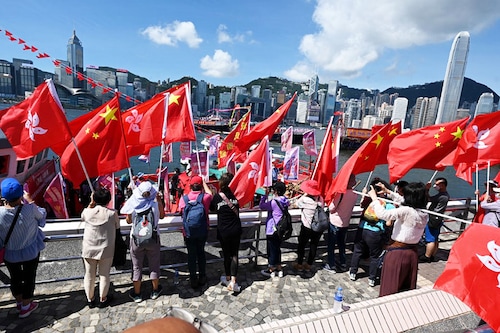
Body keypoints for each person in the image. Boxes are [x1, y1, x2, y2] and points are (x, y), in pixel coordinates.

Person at [370, 181, 428, 297]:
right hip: (412, 253)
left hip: (397, 253)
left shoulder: (407, 211)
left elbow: (384, 215)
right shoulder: (424, 213)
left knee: (391, 285)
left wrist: (374, 199)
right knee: (405, 287)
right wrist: (388, 192)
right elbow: (402, 200)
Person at [0, 178, 46, 318]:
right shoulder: (30, 209)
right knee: (29, 278)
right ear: (21, 195)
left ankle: (20, 302)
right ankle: (26, 306)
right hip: (30, 251)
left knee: (15, 278)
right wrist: (30, 200)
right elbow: (42, 217)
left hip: (10, 253)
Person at [120, 181, 165, 303]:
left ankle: (137, 294)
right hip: (153, 238)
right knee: (154, 264)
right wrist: (159, 201)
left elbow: (129, 221)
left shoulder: (133, 205)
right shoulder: (155, 205)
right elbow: (162, 216)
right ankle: (155, 290)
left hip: (136, 239)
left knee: (136, 266)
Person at [349, 178, 394, 287]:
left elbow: (362, 206)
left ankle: (353, 272)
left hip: (362, 228)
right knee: (375, 256)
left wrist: (364, 195)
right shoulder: (388, 204)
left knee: (357, 251)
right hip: (375, 232)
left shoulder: (369, 200)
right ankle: (372, 278)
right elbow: (388, 223)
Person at [81, 188, 120, 308]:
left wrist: (91, 203)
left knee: (89, 275)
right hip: (106, 248)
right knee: (104, 275)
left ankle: (90, 299)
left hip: (89, 247)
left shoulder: (87, 212)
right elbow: (117, 227)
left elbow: (83, 217)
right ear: (108, 200)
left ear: (94, 199)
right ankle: (103, 298)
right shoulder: (112, 213)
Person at [178, 175, 213, 289]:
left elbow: (180, 212)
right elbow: (210, 194)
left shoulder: (184, 199)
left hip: (188, 232)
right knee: (201, 253)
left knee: (191, 255)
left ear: (191, 186)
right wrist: (204, 183)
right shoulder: (205, 198)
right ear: (201, 186)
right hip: (202, 230)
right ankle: (202, 276)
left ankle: (193, 279)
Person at [209, 173, 242, 292]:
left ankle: (228, 277)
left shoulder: (217, 197)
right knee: (234, 255)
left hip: (224, 230)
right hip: (236, 229)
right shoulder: (235, 197)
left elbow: (212, 208)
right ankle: (234, 281)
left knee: (226, 254)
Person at [323, 174, 358, 273]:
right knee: (342, 244)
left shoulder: (340, 193)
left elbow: (332, 208)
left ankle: (331, 265)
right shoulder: (355, 194)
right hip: (346, 223)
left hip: (335, 222)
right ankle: (343, 263)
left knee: (331, 245)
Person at [292, 180, 324, 273]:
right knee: (314, 245)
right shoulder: (320, 199)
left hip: (307, 227)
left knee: (301, 245)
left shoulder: (305, 200)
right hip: (317, 227)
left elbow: (296, 204)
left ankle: (299, 263)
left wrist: (304, 195)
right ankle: (309, 264)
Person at [259, 181, 289, 278]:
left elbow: (262, 206)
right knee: (277, 248)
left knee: (271, 249)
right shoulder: (285, 200)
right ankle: (279, 268)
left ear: (275, 191)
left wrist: (265, 195)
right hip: (281, 229)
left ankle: (271, 269)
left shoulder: (274, 202)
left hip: (273, 229)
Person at [420, 177, 449, 263]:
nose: (435, 186)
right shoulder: (444, 195)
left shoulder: (442, 196)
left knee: (430, 239)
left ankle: (427, 256)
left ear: (443, 185)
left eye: (437, 184)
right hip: (438, 218)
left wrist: (426, 189)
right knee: (435, 238)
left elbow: (429, 199)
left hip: (433, 218)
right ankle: (432, 254)